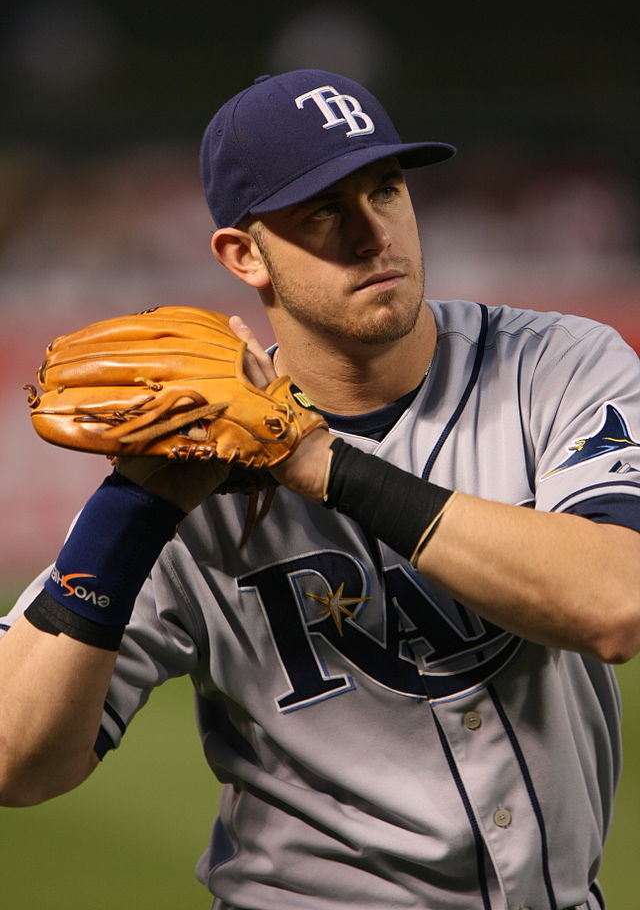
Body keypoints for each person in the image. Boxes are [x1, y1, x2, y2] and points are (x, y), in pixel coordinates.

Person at [1, 68, 640, 910]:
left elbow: (617, 602)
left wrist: (318, 462)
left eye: (386, 189)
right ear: (243, 254)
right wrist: (130, 510)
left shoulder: (556, 368)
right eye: (324, 211)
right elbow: (16, 761)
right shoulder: (193, 463)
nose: (374, 233)